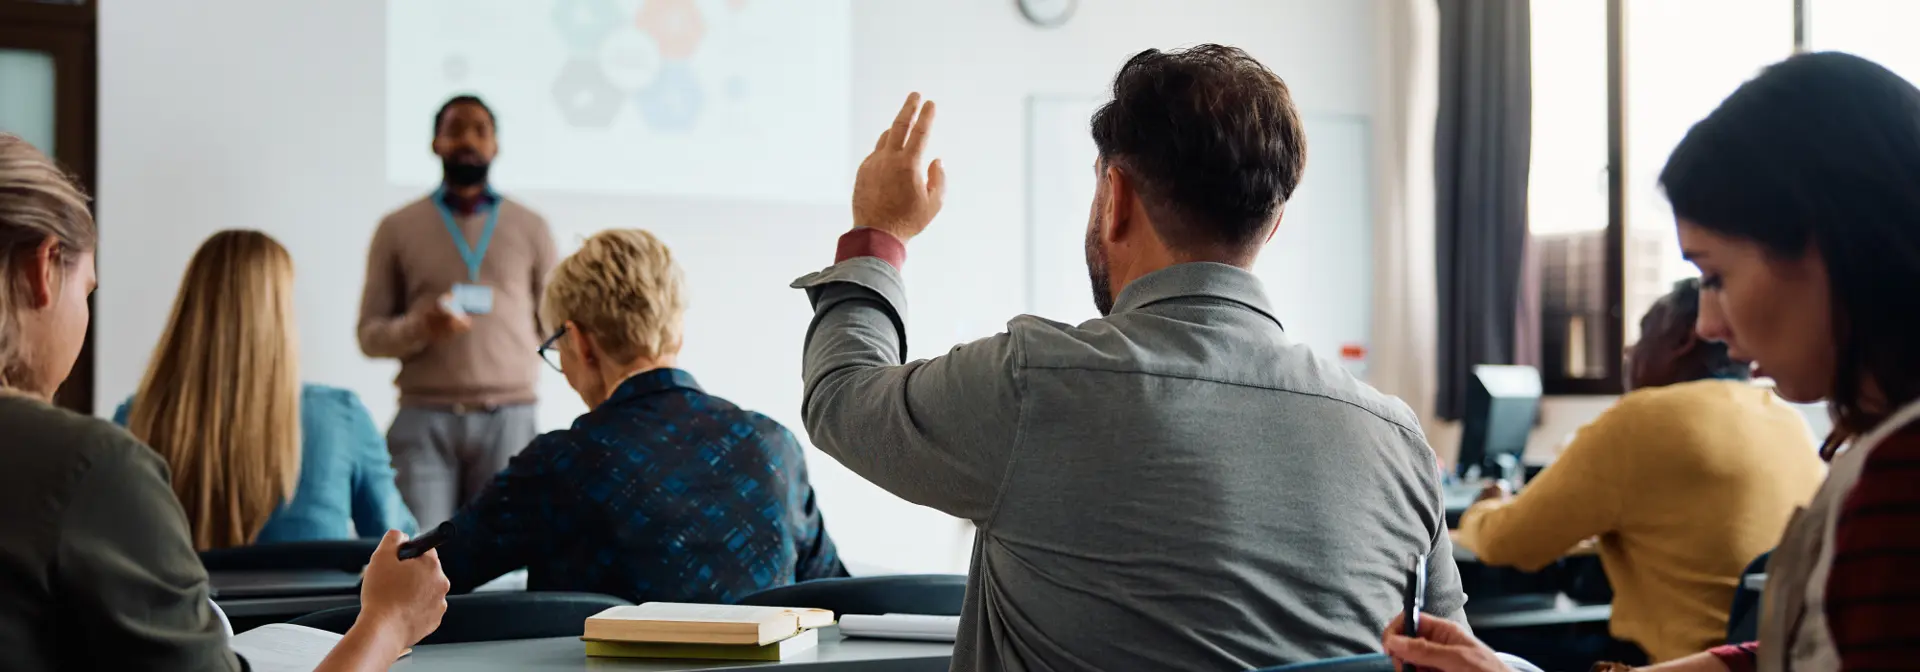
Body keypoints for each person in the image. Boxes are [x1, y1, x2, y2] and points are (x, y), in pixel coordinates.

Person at [793, 45, 1466, 670]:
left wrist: (879, 234)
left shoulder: (1037, 386)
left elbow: (842, 396)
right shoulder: (1400, 444)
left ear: (1114, 198)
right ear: (1273, 222)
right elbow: (1450, 655)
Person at [1383, 51, 1920, 672]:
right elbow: (1782, 656)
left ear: (1829, 243)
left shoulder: (1899, 478)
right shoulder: (1817, 430)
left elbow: (1512, 541)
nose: (1710, 323)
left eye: (1715, 275)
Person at [0, 133, 447, 671]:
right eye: (88, 291)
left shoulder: (134, 419)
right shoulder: (92, 463)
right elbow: (401, 544)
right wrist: (389, 621)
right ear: (42, 270)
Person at [433, 228, 844, 603]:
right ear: (677, 330)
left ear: (578, 342)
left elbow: (424, 577)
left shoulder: (558, 464)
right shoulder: (773, 447)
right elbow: (837, 595)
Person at [1453, 277, 1824, 666]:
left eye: (1643, 333)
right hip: (1768, 658)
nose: (1630, 349)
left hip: (1673, 663)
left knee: (1479, 642)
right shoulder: (1788, 418)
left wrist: (1483, 508)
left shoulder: (1644, 417)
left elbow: (1508, 544)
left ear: (1683, 339)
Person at [115, 230, 417, 550]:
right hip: (315, 603)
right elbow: (402, 544)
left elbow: (111, 547)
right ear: (280, 315)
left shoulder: (136, 420)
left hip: (187, 603)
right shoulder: (341, 418)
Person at [358, 94, 558, 529]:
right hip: (424, 420)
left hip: (510, 418)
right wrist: (420, 327)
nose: (467, 139)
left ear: (496, 146)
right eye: (454, 129)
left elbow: (557, 326)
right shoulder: (397, 228)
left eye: (480, 130)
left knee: (505, 563)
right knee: (420, 558)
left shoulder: (532, 226)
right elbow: (369, 336)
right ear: (435, 143)